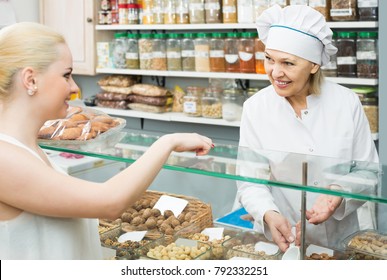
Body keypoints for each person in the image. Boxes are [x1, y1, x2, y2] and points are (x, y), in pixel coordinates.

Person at [0, 22, 213, 260]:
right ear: (30, 80)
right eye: (67, 75)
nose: (75, 88)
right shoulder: (4, 158)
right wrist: (168, 143)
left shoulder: (27, 148)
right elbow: (110, 202)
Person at [233, 5, 379, 253]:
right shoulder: (256, 108)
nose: (275, 72)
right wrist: (268, 213)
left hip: (339, 239)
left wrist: (339, 193)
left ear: (313, 65)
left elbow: (368, 173)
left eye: (288, 63)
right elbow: (250, 181)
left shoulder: (346, 103)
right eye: (269, 59)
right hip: (283, 236)